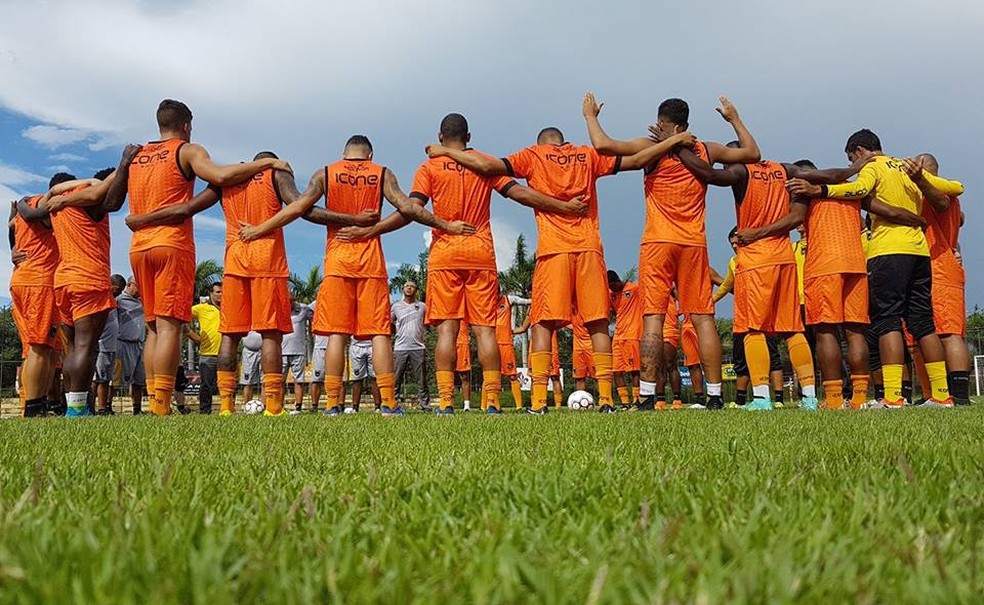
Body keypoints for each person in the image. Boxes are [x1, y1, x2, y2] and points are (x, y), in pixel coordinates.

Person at [427, 117, 694, 415]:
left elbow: (491, 168)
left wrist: (445, 152)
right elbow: (636, 160)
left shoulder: (531, 156)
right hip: (589, 248)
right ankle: (606, 399)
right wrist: (670, 142)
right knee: (597, 323)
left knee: (543, 323)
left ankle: (538, 402)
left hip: (552, 251)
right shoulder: (587, 154)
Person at [239, 134, 472, 417]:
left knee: (337, 334)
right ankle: (388, 404)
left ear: (343, 153)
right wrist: (444, 224)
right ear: (370, 155)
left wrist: (261, 228)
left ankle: (334, 404)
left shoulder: (326, 172)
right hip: (371, 262)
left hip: (337, 261)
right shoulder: (381, 172)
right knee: (378, 335)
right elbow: (409, 207)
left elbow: (303, 209)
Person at [585, 94, 762, 410]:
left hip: (657, 243)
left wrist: (590, 116)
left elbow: (602, 145)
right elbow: (752, 152)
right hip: (694, 243)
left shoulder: (649, 147)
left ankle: (648, 395)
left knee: (653, 317)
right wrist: (734, 118)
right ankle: (715, 396)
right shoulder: (705, 149)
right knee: (703, 318)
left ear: (663, 122)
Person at [406, 113, 587, 415]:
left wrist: (445, 226)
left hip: (444, 256)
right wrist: (563, 206)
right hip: (480, 254)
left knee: (447, 333)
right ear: (469, 137)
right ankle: (491, 402)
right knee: (485, 332)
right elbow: (522, 194)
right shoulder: (485, 163)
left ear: (440, 136)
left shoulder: (429, 166)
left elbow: (413, 208)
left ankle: (447, 403)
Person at [122, 99, 290, 415]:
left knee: (154, 329)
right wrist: (266, 165)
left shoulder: (137, 155)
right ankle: (161, 407)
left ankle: (161, 402)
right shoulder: (186, 150)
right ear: (187, 125)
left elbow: (110, 195)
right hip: (172, 244)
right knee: (171, 326)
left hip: (138, 248)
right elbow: (220, 177)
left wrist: (140, 220)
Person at [786, 129, 960, 408]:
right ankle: (941, 395)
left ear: (859, 151)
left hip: (883, 251)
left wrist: (821, 190)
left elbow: (860, 190)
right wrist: (916, 218)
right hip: (917, 251)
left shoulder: (871, 168)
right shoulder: (907, 168)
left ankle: (890, 397)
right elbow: (954, 187)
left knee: (882, 322)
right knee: (922, 324)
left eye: (852, 159)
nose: (854, 166)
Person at [20, 166, 128, 417]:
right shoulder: (88, 199)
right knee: (86, 348)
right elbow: (110, 198)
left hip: (63, 281)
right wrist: (125, 164)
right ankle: (77, 409)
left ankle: (72, 406)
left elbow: (27, 211)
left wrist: (57, 191)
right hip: (88, 278)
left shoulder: (56, 205)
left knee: (72, 349)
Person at [917, 153, 971, 406]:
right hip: (936, 266)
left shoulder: (941, 192)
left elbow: (943, 207)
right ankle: (933, 393)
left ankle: (960, 396)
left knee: (949, 333)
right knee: (926, 333)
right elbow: (958, 221)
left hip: (939, 269)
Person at [8, 188, 62, 417]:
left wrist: (12, 247)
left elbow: (11, 225)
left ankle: (34, 405)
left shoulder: (25, 206)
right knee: (40, 347)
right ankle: (32, 408)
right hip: (39, 282)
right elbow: (32, 216)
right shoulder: (44, 208)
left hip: (21, 279)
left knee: (38, 349)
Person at [391, 282, 430, 409]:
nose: (409, 288)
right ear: (402, 289)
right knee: (396, 378)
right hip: (400, 347)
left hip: (418, 347)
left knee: (422, 378)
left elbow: (428, 324)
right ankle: (393, 402)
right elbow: (389, 323)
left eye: (412, 286)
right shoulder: (396, 306)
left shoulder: (423, 306)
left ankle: (425, 403)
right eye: (406, 286)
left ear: (416, 290)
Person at [92, 274, 126, 414]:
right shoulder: (101, 299)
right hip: (101, 346)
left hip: (112, 346)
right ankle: (89, 406)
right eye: (117, 289)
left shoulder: (114, 301)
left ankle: (102, 407)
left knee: (106, 379)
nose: (119, 293)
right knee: (97, 378)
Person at [608, 271, 642, 409]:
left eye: (613, 286)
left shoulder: (634, 288)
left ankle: (637, 401)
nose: (612, 290)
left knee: (634, 370)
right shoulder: (612, 295)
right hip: (618, 336)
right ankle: (624, 403)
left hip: (632, 335)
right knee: (616, 371)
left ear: (617, 281)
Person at [116, 276, 146, 414]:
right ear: (129, 285)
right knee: (118, 380)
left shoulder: (142, 302)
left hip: (140, 343)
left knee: (139, 380)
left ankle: (137, 409)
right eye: (139, 286)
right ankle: (108, 406)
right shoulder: (119, 301)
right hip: (124, 343)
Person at [190, 283, 221, 413]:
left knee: (228, 385)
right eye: (218, 292)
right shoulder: (202, 308)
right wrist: (192, 335)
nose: (221, 295)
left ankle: (228, 410)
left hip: (227, 354)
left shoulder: (230, 308)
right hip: (208, 354)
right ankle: (205, 412)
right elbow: (181, 315)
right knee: (206, 386)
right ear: (211, 293)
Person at [281, 297, 313, 412]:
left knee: (299, 380)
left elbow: (315, 316)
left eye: (290, 301)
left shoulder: (303, 309)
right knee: (280, 380)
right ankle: (279, 406)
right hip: (281, 352)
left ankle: (298, 407)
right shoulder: (279, 310)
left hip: (298, 351)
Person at [347, 337, 380, 412]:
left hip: (373, 344)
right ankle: (355, 408)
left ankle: (378, 407)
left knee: (375, 377)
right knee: (357, 379)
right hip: (356, 346)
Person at [307, 300, 329, 413]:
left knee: (338, 379)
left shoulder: (339, 301)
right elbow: (306, 312)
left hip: (336, 345)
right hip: (320, 346)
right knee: (317, 379)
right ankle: (314, 406)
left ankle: (337, 405)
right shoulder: (316, 303)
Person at [240, 331, 263, 404]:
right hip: (248, 352)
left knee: (265, 381)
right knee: (248, 382)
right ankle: (247, 406)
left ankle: (266, 406)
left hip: (265, 350)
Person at [456, 321, 473, 411]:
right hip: (448, 342)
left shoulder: (465, 309)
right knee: (447, 374)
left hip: (462, 343)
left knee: (464, 376)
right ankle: (446, 403)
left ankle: (467, 405)